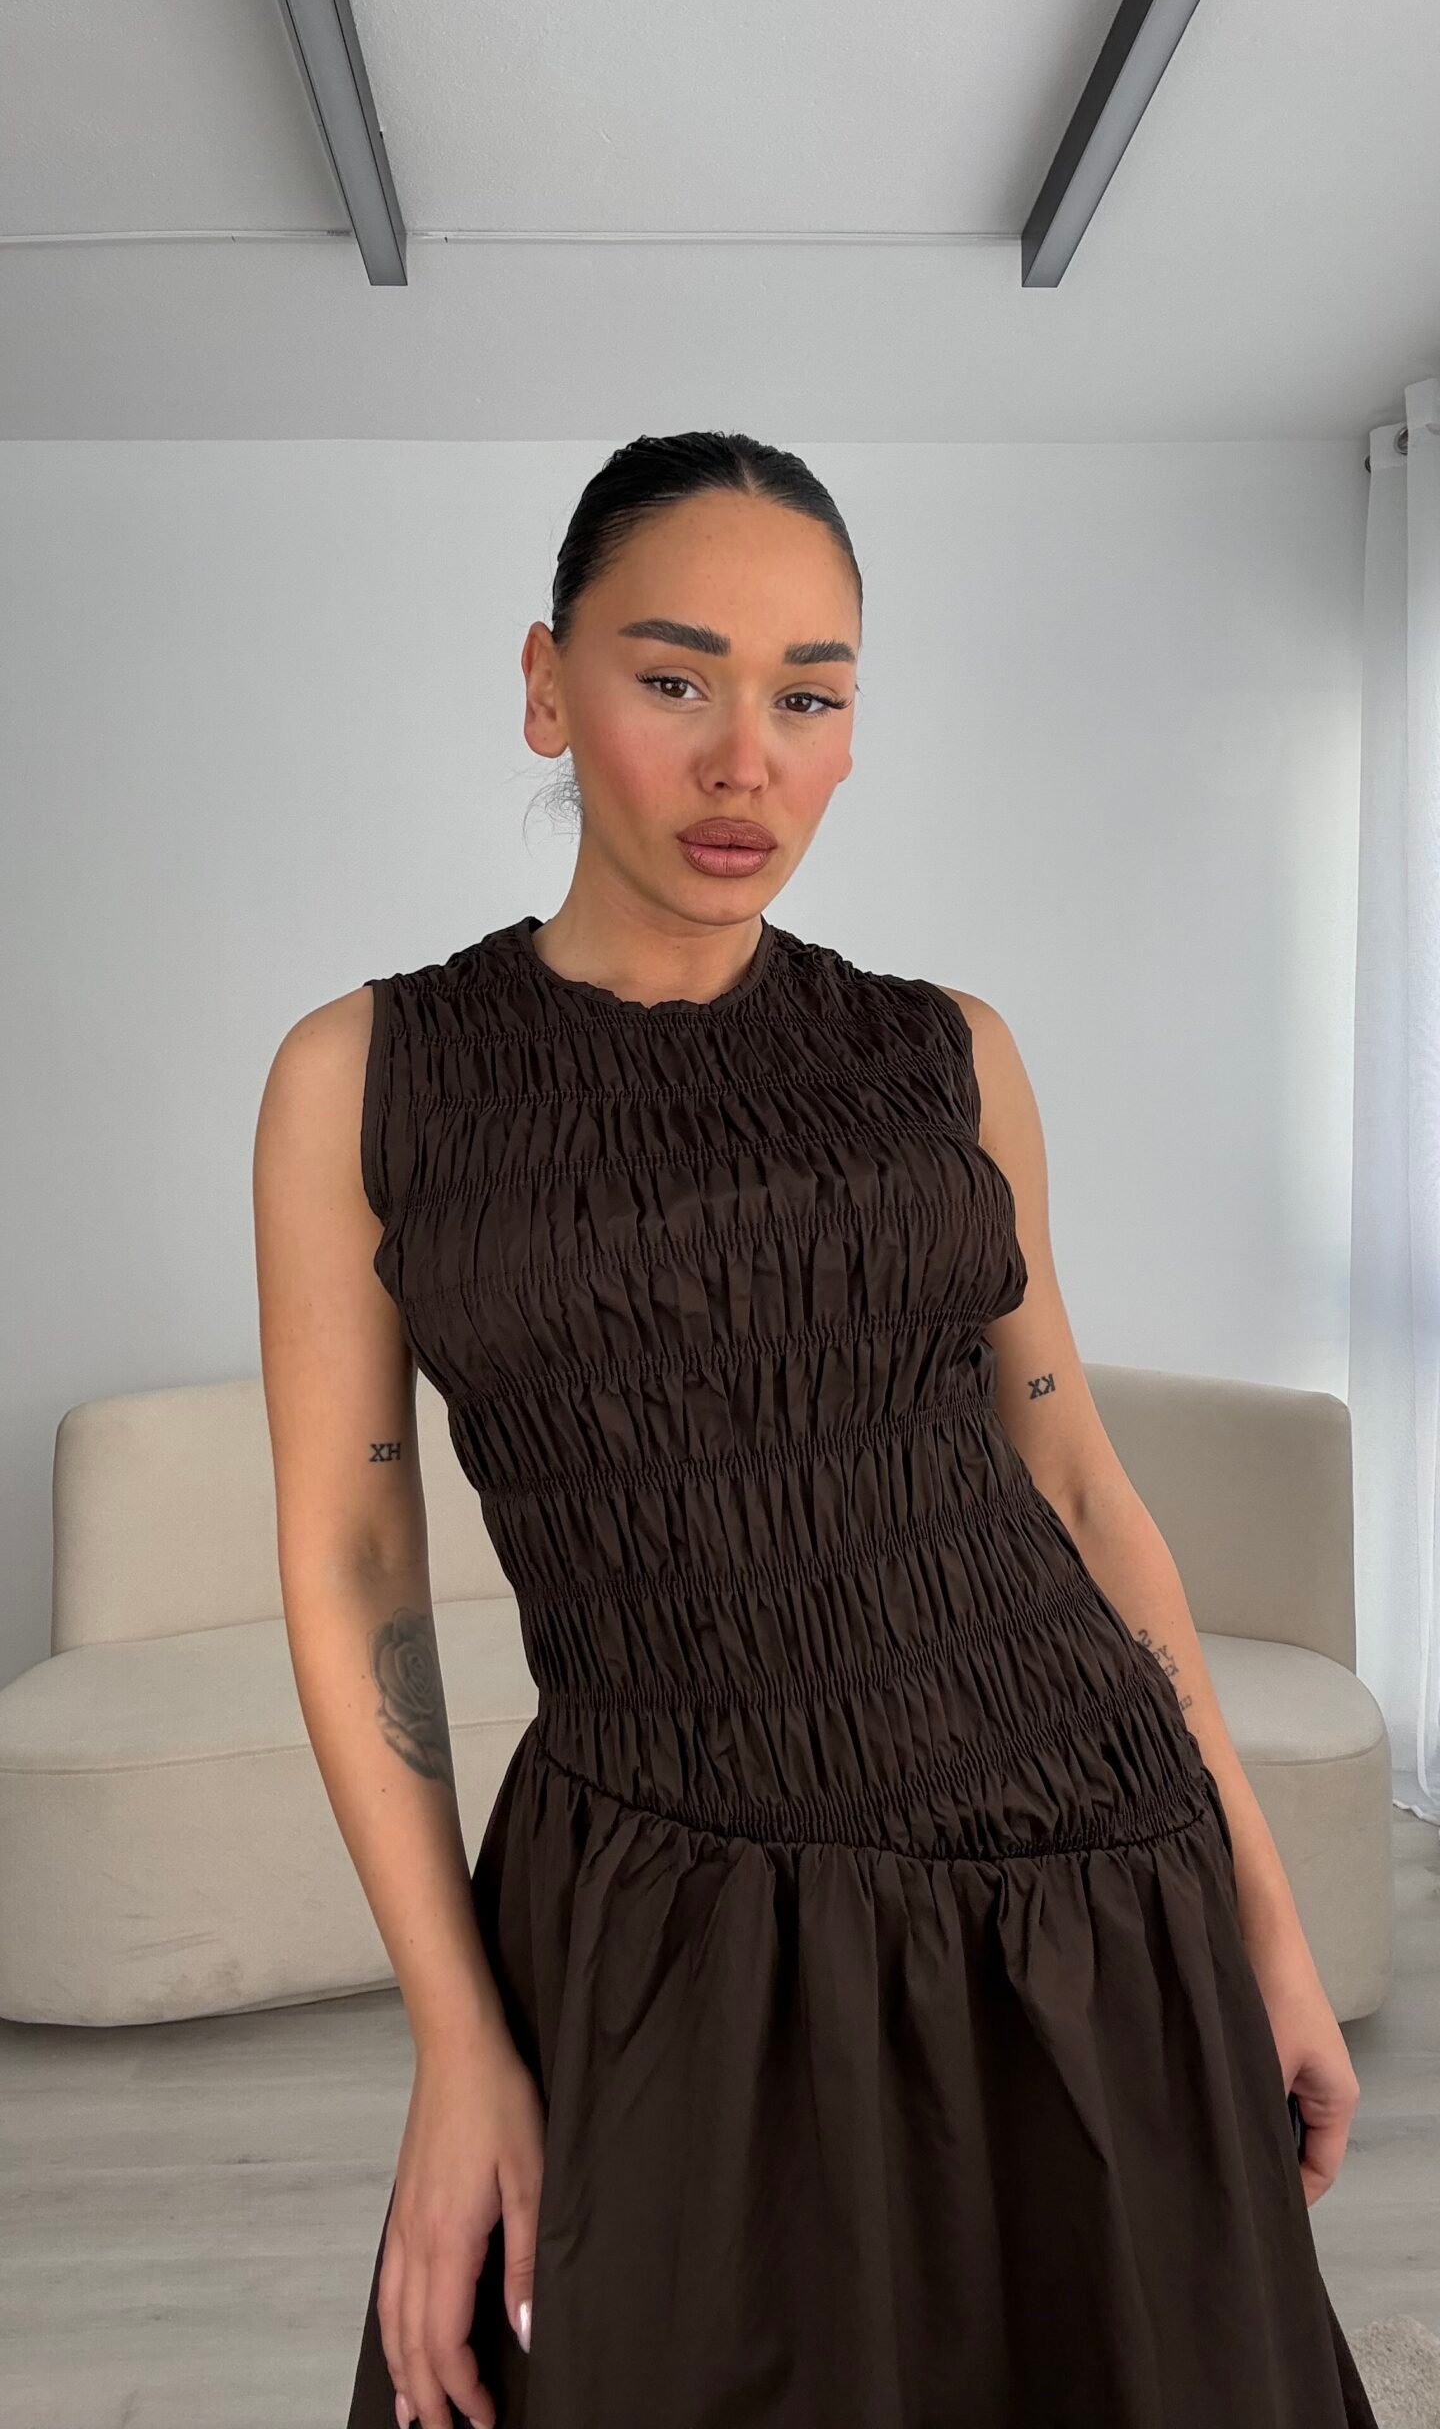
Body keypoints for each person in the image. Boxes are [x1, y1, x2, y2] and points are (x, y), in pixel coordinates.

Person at [253, 431, 1378, 2429]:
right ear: (547, 683)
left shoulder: (949, 1051)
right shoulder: (362, 1076)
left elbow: (1073, 1483)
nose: (742, 761)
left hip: (1082, 1886)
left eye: (808, 696)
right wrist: (455, 2039)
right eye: (674, 677)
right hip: (668, 1926)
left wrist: (1260, 1912)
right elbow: (351, 1571)